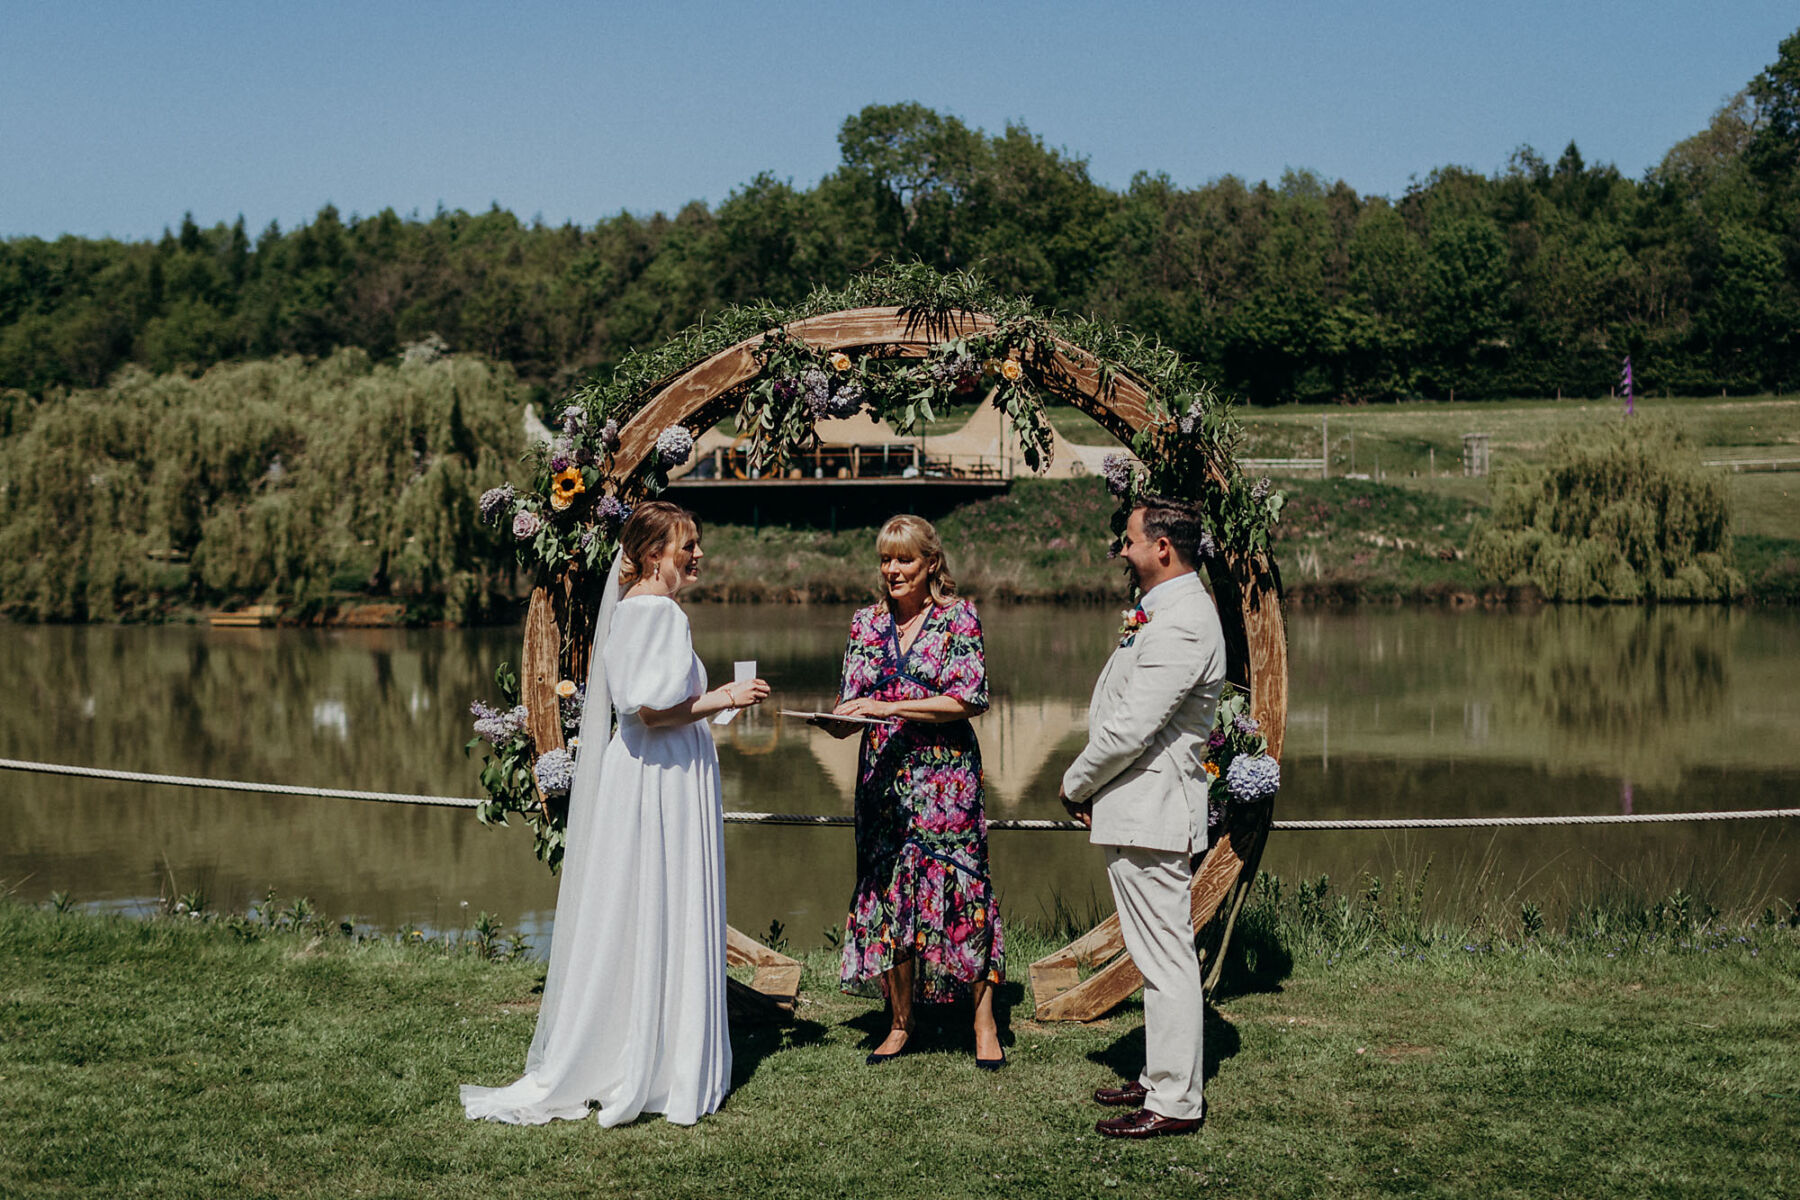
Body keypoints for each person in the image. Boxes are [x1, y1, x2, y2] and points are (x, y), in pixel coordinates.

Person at [462, 500, 770, 1127]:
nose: (699, 555)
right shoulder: (658, 613)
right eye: (689, 545)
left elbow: (644, 706)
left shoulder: (634, 611)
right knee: (663, 897)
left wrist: (708, 703)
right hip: (663, 776)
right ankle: (660, 1062)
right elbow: (652, 710)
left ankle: (639, 1043)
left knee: (640, 903)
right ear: (656, 553)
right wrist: (726, 697)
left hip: (648, 772)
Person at [1059, 496, 1226, 1139]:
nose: (1121, 552)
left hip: (1152, 805)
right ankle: (1160, 1077)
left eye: (1128, 541)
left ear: (1162, 547)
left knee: (1167, 958)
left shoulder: (1183, 620)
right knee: (1154, 952)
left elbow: (1133, 727)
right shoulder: (1167, 611)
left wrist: (1075, 781)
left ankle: (1176, 1101)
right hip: (1136, 806)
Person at [816, 514, 1005, 1069]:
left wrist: (889, 706)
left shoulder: (958, 618)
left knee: (965, 889)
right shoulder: (864, 623)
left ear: (931, 565)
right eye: (886, 560)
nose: (893, 570)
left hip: (945, 779)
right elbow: (853, 702)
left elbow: (970, 699)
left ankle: (983, 1020)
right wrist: (838, 722)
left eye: (905, 560)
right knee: (889, 890)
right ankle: (899, 1022)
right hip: (883, 780)